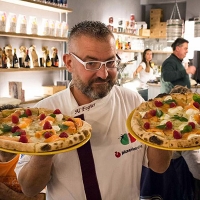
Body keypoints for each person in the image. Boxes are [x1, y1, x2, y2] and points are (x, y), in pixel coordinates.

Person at [15, 21, 172, 200]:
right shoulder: (44, 113)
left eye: (110, 62)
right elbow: (29, 188)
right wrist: (45, 147)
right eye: (91, 64)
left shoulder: (133, 101)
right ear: (69, 63)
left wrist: (162, 126)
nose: (103, 74)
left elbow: (159, 166)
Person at [140, 85, 200, 200]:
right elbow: (197, 170)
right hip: (173, 190)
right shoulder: (185, 140)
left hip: (147, 190)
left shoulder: (147, 133)